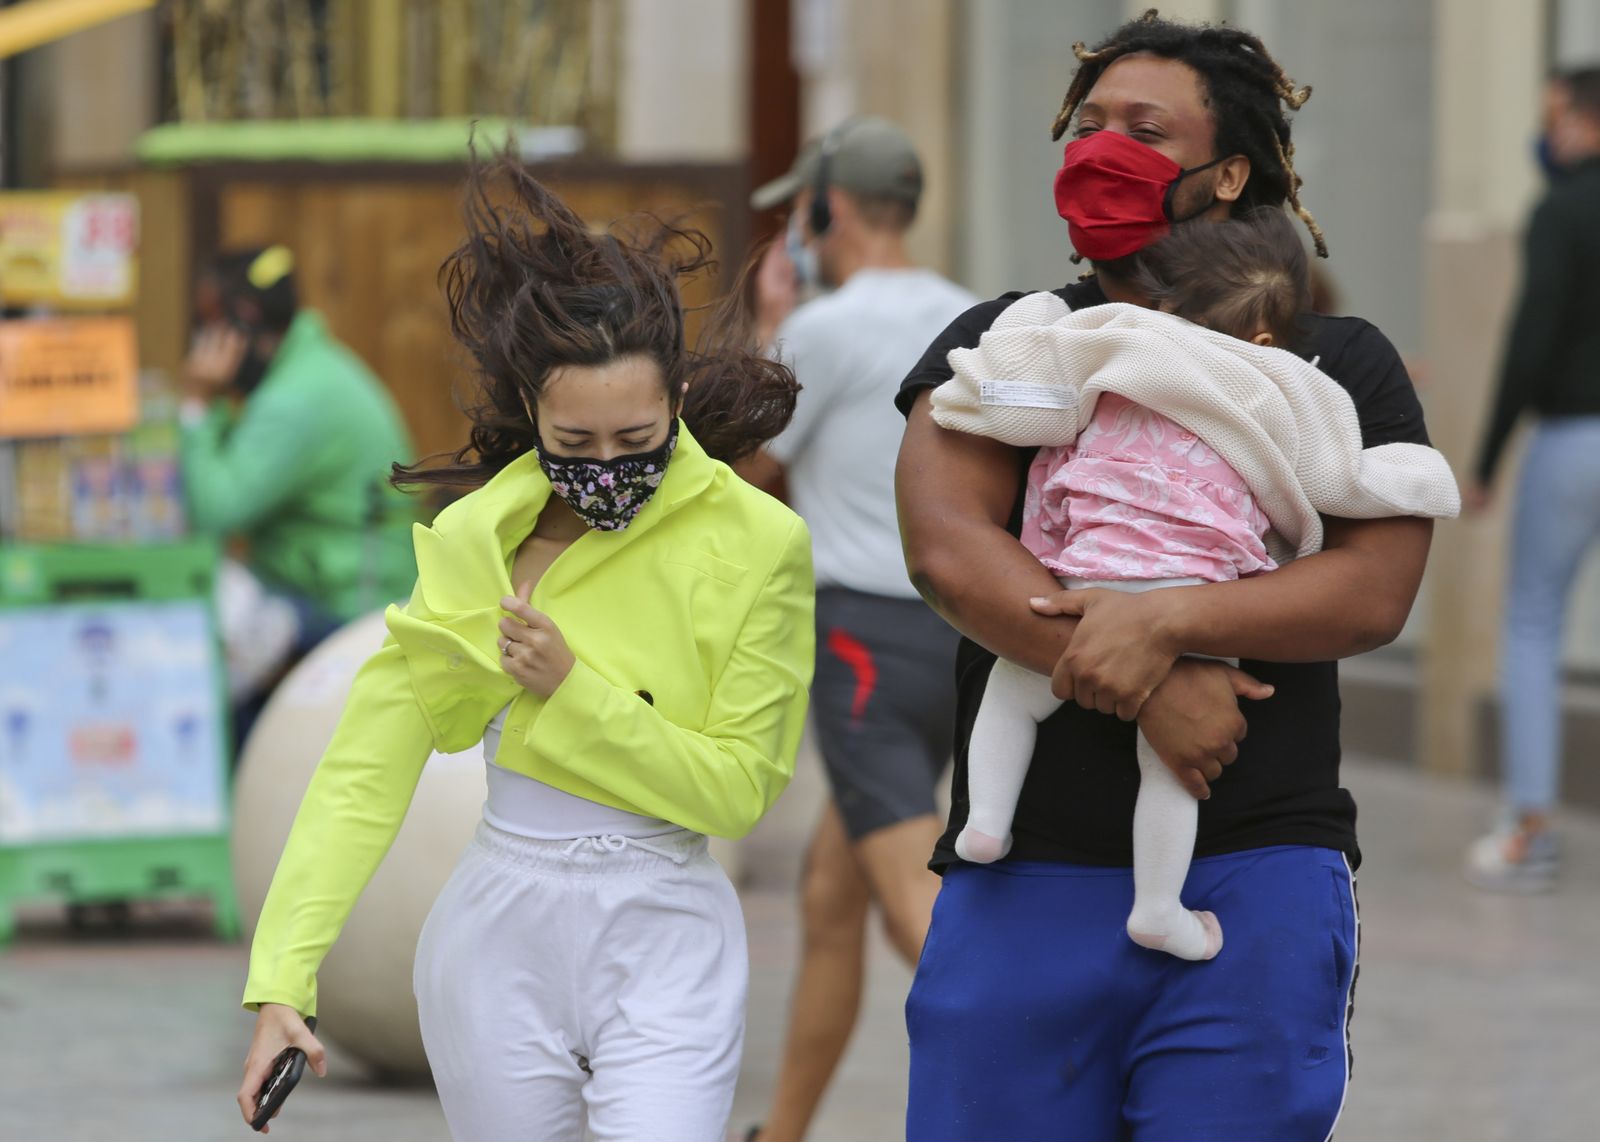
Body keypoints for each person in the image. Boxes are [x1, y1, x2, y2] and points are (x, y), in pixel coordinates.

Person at [894, 13, 1436, 1139]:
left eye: (1144, 129)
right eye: (1087, 124)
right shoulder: (1019, 342)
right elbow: (948, 546)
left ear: (1226, 172)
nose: (1102, 147)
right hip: (1023, 873)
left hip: (1255, 868)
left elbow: (1370, 589)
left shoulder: (1332, 361)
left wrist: (1170, 624)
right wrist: (1149, 677)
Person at [234, 157, 815, 1141]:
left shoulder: (760, 544)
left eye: (633, 436)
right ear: (531, 415)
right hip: (497, 927)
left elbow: (737, 790)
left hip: (664, 922)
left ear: (675, 395)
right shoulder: (474, 543)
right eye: (572, 442)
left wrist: (571, 689)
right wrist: (282, 980)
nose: (604, 468)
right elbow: (363, 767)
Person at [932, 209, 1457, 965]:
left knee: (1011, 695)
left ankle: (985, 820)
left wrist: (1050, 542)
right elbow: (1332, 476)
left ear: (1163, 302)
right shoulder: (1280, 389)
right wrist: (1404, 480)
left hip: (1089, 576)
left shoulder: (1121, 353)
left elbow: (1034, 418)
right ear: (1269, 336)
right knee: (1174, 769)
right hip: (1201, 590)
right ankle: (1159, 908)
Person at [737, 117, 977, 1142]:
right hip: (967, 639)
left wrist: (768, 329)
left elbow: (745, 472)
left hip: (860, 645)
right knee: (831, 892)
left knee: (921, 922)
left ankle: (1055, 1101)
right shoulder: (978, 315)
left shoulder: (820, 333)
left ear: (825, 209)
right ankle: (779, 1131)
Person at [179, 247, 419, 726]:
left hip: (352, 603)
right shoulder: (307, 370)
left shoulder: (295, 402)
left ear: (241, 323)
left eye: (207, 324)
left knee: (220, 631)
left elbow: (215, 512)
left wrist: (196, 406)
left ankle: (240, 779)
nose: (200, 342)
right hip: (325, 580)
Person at [1466, 65, 1600, 891]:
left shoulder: (1561, 211)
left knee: (1532, 624)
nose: (1546, 135)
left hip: (1572, 440)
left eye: (1555, 117)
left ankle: (1529, 829)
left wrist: (1483, 461)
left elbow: (1530, 339)